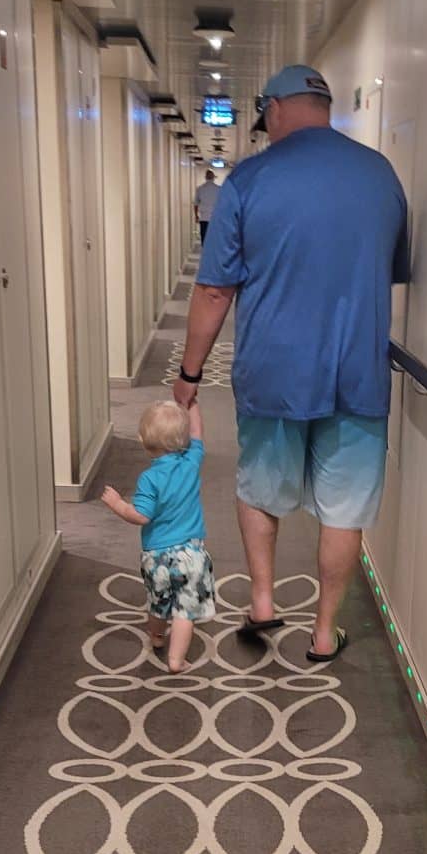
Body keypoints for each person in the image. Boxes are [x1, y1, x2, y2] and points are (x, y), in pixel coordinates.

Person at [173, 63, 408, 662]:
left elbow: (215, 291)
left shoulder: (249, 181)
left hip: (273, 372)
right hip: (357, 372)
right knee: (345, 510)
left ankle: (262, 605)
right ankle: (325, 633)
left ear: (274, 110)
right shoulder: (381, 175)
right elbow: (392, 271)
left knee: (259, 488)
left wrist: (190, 374)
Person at [100, 400, 215, 673]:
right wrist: (193, 402)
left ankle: (156, 635)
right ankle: (176, 660)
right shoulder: (191, 464)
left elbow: (141, 516)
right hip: (191, 555)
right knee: (185, 611)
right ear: (184, 440)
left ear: (142, 441)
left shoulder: (149, 479)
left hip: (157, 556)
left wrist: (117, 504)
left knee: (158, 600)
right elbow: (198, 434)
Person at [194, 168, 221, 245]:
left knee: (204, 238)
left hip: (204, 218)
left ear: (205, 177)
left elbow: (196, 204)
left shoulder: (200, 189)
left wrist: (196, 216)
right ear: (213, 178)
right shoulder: (219, 189)